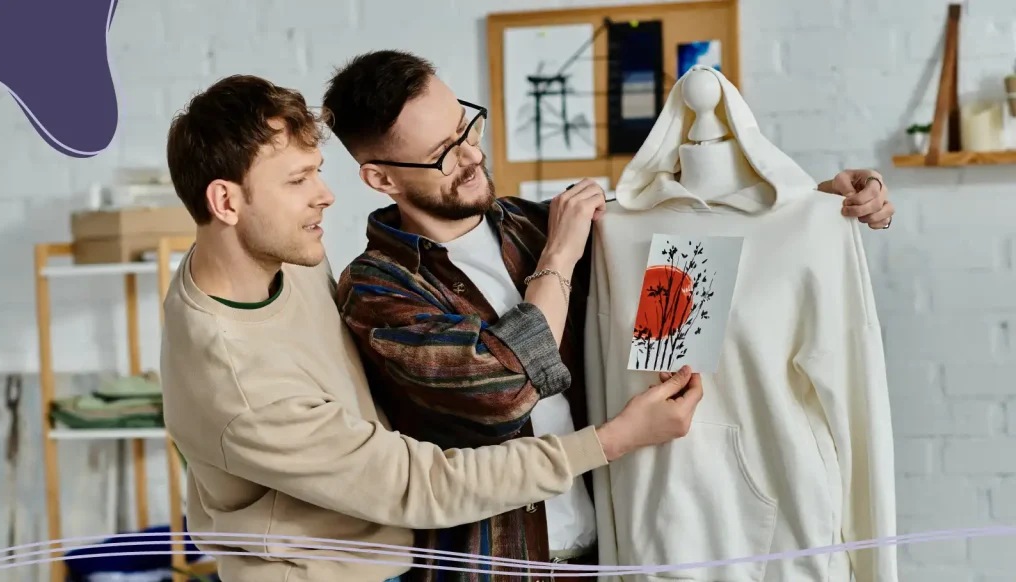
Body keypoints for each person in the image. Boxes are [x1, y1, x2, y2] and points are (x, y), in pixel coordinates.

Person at [321, 49, 898, 582]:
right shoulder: (376, 290)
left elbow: (689, 232)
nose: (472, 155)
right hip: (495, 567)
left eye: (466, 126)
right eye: (442, 153)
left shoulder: (536, 224)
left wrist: (809, 207)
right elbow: (500, 387)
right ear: (382, 177)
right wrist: (560, 257)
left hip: (613, 555)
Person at [159, 73, 708, 582]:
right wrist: (617, 439)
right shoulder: (246, 376)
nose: (325, 195)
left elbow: (674, 274)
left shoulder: (282, 256)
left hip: (531, 548)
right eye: (299, 179)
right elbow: (436, 467)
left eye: (317, 172)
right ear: (226, 201)